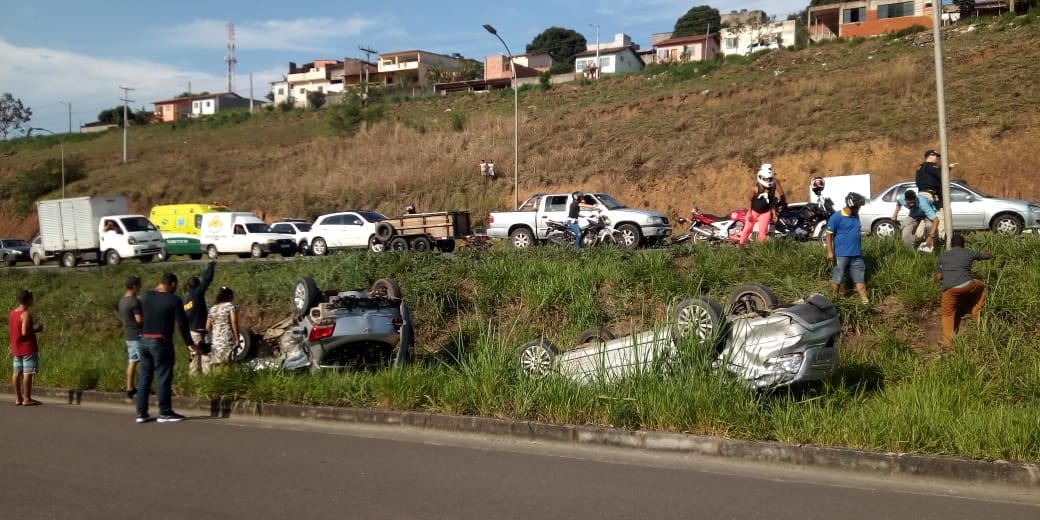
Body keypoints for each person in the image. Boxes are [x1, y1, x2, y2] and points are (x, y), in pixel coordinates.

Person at [137, 273, 197, 423]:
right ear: (172, 284)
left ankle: (141, 413)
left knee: (145, 376)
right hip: (160, 341)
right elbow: (183, 325)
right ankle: (164, 412)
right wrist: (190, 343)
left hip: (143, 340)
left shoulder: (146, 296)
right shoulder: (174, 300)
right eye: (175, 286)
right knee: (163, 376)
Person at [935, 234, 991, 350]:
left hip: (950, 290)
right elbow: (986, 256)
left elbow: (939, 277)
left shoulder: (942, 256)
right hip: (968, 286)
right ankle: (976, 311)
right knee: (983, 287)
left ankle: (947, 345)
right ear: (963, 244)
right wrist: (988, 252)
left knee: (947, 314)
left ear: (950, 245)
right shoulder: (968, 252)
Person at [825, 192, 870, 304]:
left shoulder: (856, 216)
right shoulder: (836, 217)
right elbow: (828, 234)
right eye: (858, 207)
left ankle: (865, 302)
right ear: (852, 206)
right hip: (841, 254)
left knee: (860, 278)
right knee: (837, 278)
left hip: (856, 254)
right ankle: (834, 301)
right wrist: (830, 252)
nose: (859, 209)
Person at [9, 289, 43, 406]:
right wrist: (37, 330)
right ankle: (27, 398)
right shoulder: (25, 314)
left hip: (16, 347)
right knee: (27, 373)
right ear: (28, 300)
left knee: (16, 373)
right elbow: (24, 332)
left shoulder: (13, 313)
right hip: (27, 348)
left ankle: (18, 398)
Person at [738, 164, 786, 246]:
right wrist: (749, 212)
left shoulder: (773, 184)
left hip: (766, 211)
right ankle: (740, 246)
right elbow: (750, 199)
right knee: (747, 229)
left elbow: (773, 200)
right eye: (766, 179)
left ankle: (760, 250)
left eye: (769, 179)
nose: (767, 180)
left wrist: (774, 212)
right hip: (755, 211)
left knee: (763, 232)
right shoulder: (756, 187)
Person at [915, 149, 957, 239]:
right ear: (930, 156)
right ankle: (942, 238)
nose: (938, 158)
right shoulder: (930, 166)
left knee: (923, 218)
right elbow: (942, 175)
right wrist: (948, 168)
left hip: (922, 195)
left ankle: (918, 238)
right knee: (941, 217)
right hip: (930, 195)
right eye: (936, 156)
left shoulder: (921, 167)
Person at [183, 261, 216, 376]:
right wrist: (211, 266)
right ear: (197, 286)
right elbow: (206, 280)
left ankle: (194, 381)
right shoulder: (197, 294)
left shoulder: (185, 301)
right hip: (202, 332)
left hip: (192, 332)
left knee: (194, 358)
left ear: (188, 287)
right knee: (206, 357)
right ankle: (208, 379)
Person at [117, 276, 143, 399]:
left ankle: (129, 387)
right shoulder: (134, 301)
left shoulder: (122, 301)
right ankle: (143, 387)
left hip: (129, 334)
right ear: (134, 286)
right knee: (144, 362)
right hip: (138, 334)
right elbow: (139, 319)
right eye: (139, 285)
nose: (140, 287)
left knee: (132, 361)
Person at [205, 286, 240, 370]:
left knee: (217, 367)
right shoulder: (230, 306)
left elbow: (207, 327)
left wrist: (217, 332)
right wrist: (237, 338)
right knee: (228, 366)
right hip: (227, 341)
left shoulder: (212, 309)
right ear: (229, 296)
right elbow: (234, 321)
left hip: (216, 343)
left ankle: (219, 382)